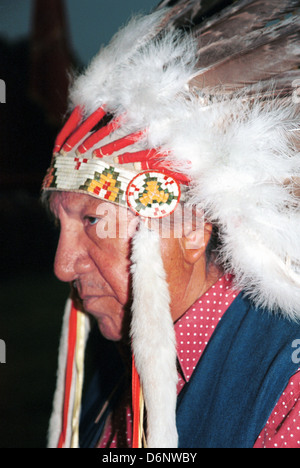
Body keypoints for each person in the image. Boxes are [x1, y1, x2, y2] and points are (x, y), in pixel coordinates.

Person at [42, 1, 300, 448]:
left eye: (91, 220)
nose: (63, 266)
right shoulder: (111, 364)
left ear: (189, 228)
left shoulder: (285, 389)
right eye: (61, 223)